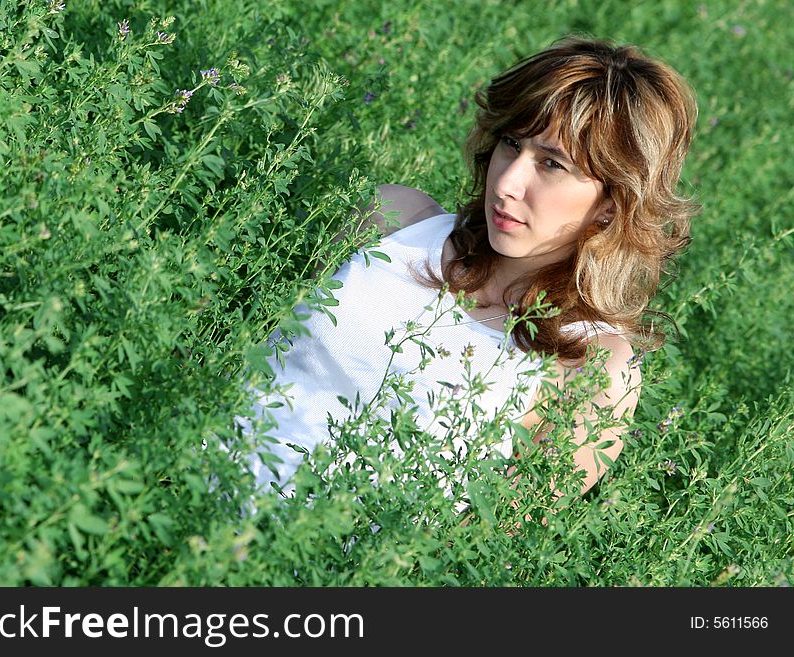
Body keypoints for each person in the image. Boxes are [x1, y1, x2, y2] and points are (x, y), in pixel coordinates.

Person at [244, 36, 698, 510]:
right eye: (510, 144)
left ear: (611, 202)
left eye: (551, 164)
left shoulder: (595, 365)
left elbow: (492, 541)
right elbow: (244, 336)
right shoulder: (392, 217)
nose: (507, 183)